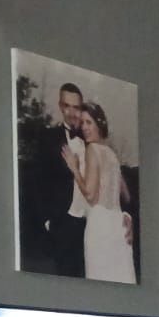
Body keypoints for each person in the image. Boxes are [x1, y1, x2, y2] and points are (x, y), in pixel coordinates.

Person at [61, 101, 135, 283]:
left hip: (99, 225)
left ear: (99, 124)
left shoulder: (92, 149)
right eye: (82, 123)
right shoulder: (112, 154)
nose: (84, 127)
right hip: (117, 225)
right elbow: (126, 196)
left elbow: (91, 196)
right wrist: (126, 215)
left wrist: (74, 168)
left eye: (89, 122)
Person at [42, 82, 88, 276]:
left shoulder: (91, 140)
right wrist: (47, 219)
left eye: (76, 107)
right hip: (64, 222)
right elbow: (40, 181)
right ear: (61, 106)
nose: (71, 112)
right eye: (67, 106)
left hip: (92, 223)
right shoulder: (49, 138)